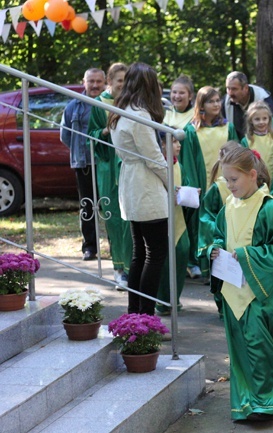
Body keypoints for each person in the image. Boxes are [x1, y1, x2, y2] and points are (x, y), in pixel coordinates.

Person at [208, 146, 273, 421]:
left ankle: (268, 401)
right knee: (240, 347)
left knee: (260, 346)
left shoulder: (270, 207)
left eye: (234, 180)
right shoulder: (228, 206)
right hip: (233, 289)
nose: (229, 185)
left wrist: (249, 255)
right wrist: (213, 250)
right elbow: (218, 235)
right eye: (226, 180)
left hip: (261, 291)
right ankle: (247, 401)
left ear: (252, 175)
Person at [108, 62, 169, 316]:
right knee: (154, 255)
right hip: (145, 186)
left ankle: (136, 312)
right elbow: (154, 158)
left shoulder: (119, 111)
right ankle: (145, 314)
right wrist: (173, 184)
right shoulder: (139, 115)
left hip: (132, 183)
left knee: (140, 253)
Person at [181, 86, 238, 279]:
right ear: (201, 105)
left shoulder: (227, 127)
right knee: (199, 224)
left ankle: (222, 266)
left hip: (226, 184)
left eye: (217, 100)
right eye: (211, 101)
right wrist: (193, 185)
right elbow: (187, 160)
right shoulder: (192, 130)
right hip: (202, 185)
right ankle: (197, 263)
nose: (216, 104)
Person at [87, 63, 132, 288]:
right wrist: (106, 130)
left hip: (129, 165)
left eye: (126, 81)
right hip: (108, 166)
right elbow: (91, 136)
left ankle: (133, 266)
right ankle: (119, 268)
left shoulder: (131, 102)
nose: (123, 86)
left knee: (131, 217)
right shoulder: (99, 104)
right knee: (114, 217)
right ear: (110, 82)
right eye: (120, 81)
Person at [60, 67, 106, 261]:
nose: (95, 85)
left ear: (105, 83)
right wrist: (81, 151)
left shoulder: (109, 103)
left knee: (110, 206)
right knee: (87, 206)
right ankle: (90, 247)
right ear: (84, 82)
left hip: (106, 162)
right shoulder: (73, 106)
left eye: (99, 81)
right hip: (84, 163)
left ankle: (116, 247)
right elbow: (65, 135)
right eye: (91, 81)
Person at [198, 141, 242, 315]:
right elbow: (206, 215)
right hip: (223, 239)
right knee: (222, 276)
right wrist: (219, 229)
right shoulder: (217, 188)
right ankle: (224, 309)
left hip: (240, 238)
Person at [156, 136, 189, 315]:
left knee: (182, 252)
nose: (178, 145)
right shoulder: (157, 165)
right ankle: (162, 301)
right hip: (162, 218)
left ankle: (174, 299)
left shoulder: (179, 165)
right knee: (164, 259)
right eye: (174, 142)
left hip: (178, 219)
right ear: (162, 144)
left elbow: (184, 184)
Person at [241, 101, 273, 202]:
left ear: (269, 119)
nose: (261, 122)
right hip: (253, 187)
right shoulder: (246, 141)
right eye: (257, 119)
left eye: (264, 118)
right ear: (251, 121)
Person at [223, 71, 273, 140]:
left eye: (234, 89)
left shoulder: (264, 99)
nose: (230, 93)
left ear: (246, 88)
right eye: (228, 88)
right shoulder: (225, 102)